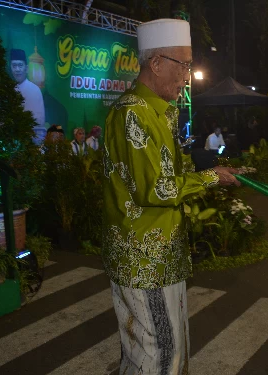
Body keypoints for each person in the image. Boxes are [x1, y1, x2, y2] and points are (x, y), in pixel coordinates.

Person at [102, 18, 240, 375]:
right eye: (184, 65)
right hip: (146, 259)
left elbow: (167, 178)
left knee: (165, 353)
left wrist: (212, 174)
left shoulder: (157, 113)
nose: (187, 76)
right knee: (159, 356)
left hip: (162, 255)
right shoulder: (134, 113)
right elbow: (157, 190)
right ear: (157, 63)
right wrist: (210, 177)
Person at [10, 48, 46, 144]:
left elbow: (39, 121)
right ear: (10, 67)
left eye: (20, 65)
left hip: (31, 140)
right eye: (14, 66)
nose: (17, 69)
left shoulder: (35, 90)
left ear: (26, 68)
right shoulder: (8, 90)